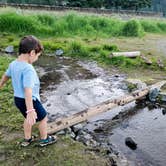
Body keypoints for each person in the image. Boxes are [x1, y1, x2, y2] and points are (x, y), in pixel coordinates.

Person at [0, 35, 56, 147]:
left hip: (18, 99)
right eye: (37, 56)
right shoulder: (28, 69)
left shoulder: (13, 64)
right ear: (32, 53)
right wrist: (30, 109)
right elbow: (28, 90)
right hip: (30, 100)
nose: (37, 59)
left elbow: (6, 76)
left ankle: (27, 139)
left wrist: (0, 85)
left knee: (27, 118)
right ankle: (45, 139)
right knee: (43, 118)